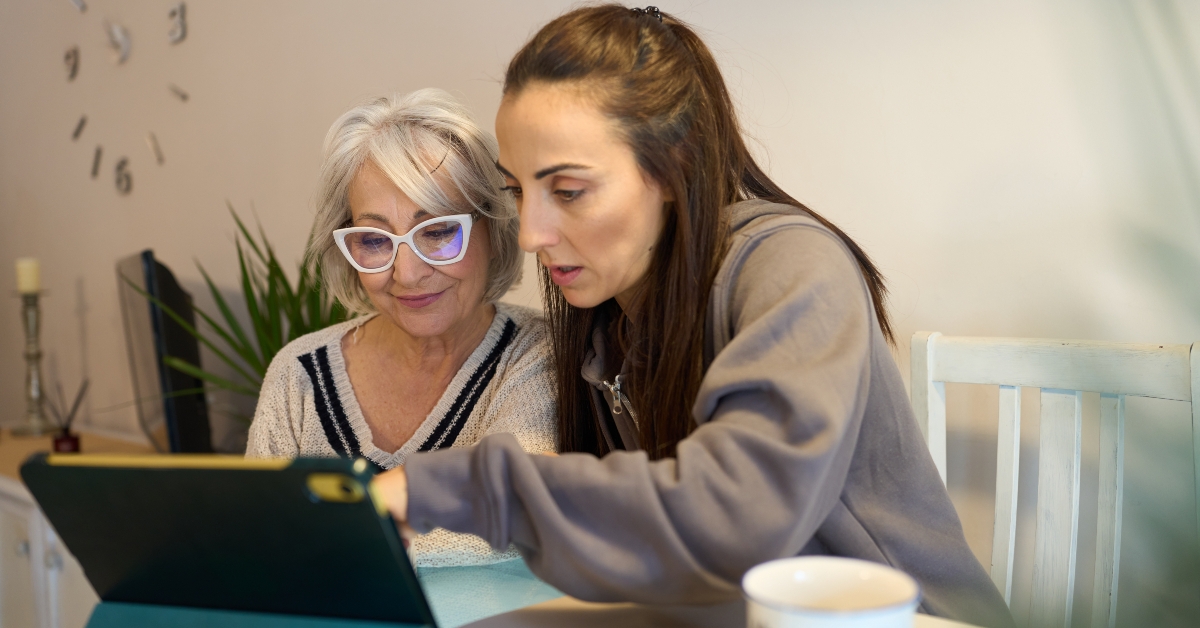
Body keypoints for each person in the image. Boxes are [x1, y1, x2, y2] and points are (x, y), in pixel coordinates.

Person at [373, 6, 1013, 626]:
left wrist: (455, 489)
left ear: (673, 168)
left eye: (568, 191)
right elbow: (667, 564)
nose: (533, 234)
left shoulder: (793, 266)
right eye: (519, 191)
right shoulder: (608, 321)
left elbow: (738, 517)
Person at [246, 88, 556, 568]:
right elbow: (256, 541)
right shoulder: (299, 374)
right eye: (373, 239)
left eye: (437, 232)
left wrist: (323, 540)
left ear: (493, 231)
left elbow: (513, 520)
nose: (406, 273)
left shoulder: (538, 354)